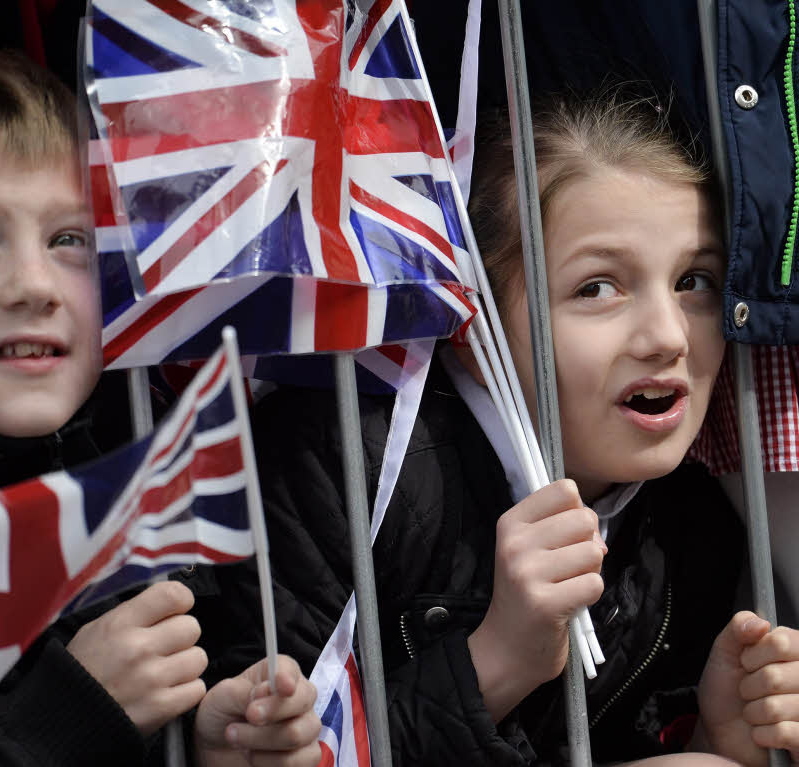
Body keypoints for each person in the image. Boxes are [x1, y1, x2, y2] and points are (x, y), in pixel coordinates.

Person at [214, 90, 799, 765]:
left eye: (694, 280)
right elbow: (261, 749)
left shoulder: (693, 522)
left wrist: (711, 734)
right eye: (597, 287)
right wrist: (497, 658)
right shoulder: (349, 458)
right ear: (475, 327)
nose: (668, 336)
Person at [0, 43, 320, 767]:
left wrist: (211, 745)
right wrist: (69, 712)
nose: (33, 284)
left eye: (69, 239)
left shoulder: (166, 489)